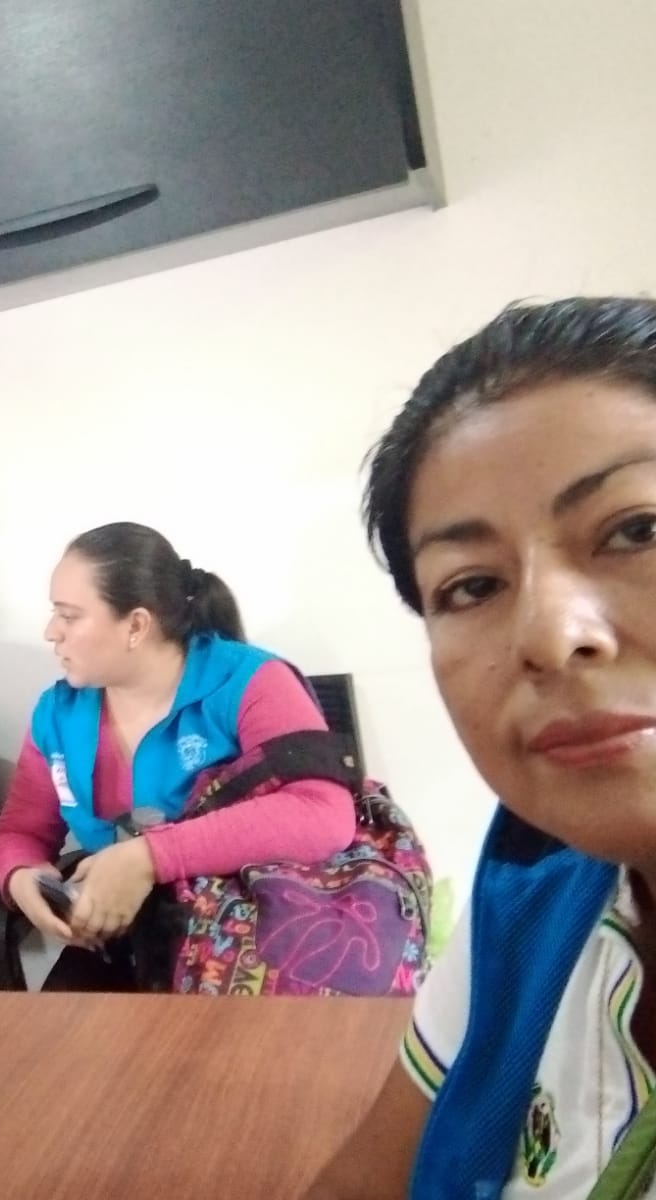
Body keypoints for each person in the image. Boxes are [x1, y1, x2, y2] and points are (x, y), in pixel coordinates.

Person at [307, 296, 656, 1198]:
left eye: (638, 530)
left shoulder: (246, 687)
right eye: (470, 586)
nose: (549, 635)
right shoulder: (539, 886)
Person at [0, 521, 357, 990]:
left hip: (249, 947)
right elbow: (20, 832)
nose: (50, 632)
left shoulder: (249, 681)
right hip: (127, 946)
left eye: (69, 616)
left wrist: (149, 857)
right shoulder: (58, 713)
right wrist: (21, 877)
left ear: (136, 625)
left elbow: (322, 814)